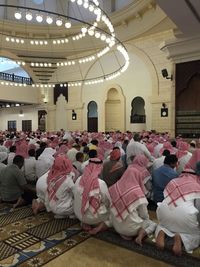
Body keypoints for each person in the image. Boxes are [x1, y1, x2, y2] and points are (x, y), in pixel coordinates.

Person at [109, 160, 156, 245]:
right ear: (137, 177)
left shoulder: (114, 187)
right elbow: (144, 215)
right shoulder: (137, 192)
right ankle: (140, 235)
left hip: (116, 226)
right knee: (152, 224)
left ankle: (123, 232)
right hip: (132, 229)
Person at [155, 166, 200, 255]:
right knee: (197, 235)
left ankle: (162, 231)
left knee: (162, 224)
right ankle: (182, 237)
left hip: (163, 212)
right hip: (185, 216)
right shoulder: (197, 186)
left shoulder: (173, 181)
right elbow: (198, 209)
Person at [73, 157, 111, 234]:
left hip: (79, 213)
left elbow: (74, 194)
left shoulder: (79, 179)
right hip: (93, 217)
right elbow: (107, 202)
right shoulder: (101, 183)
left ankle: (84, 222)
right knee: (114, 212)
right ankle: (98, 228)